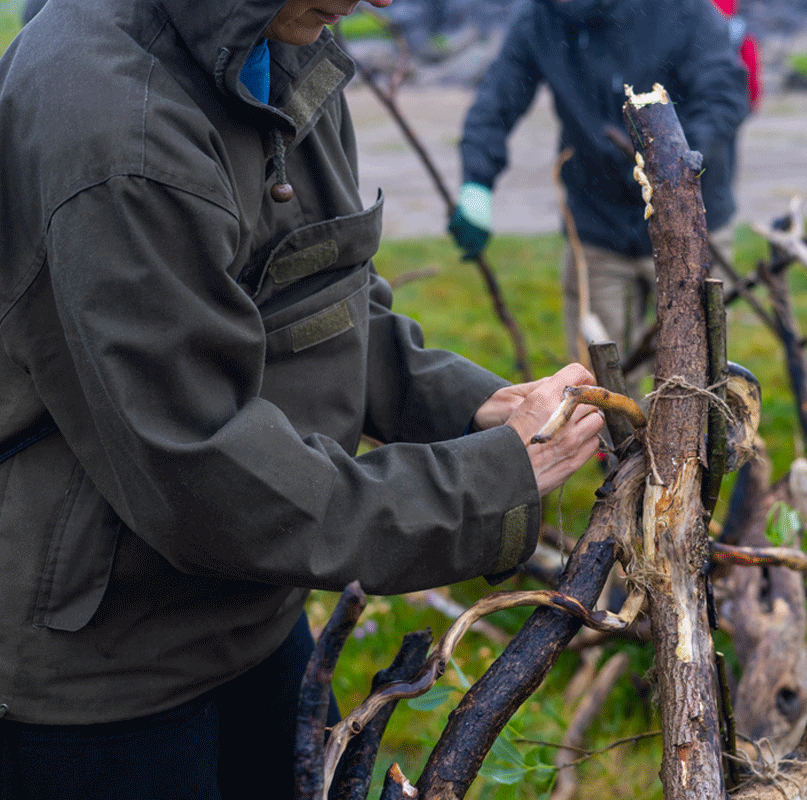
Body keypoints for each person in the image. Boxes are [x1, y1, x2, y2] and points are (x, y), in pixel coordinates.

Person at [0, 1, 605, 798]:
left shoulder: (275, 35)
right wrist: (485, 484)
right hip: (105, 681)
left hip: (252, 619)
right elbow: (204, 475)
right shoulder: (118, 128)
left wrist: (477, 406)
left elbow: (319, 294)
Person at [448, 0, 749, 377]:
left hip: (690, 227)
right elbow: (497, 99)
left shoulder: (683, 9)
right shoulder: (543, 17)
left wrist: (670, 166)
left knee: (694, 382)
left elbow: (724, 95)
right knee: (603, 390)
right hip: (597, 228)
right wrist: (477, 182)